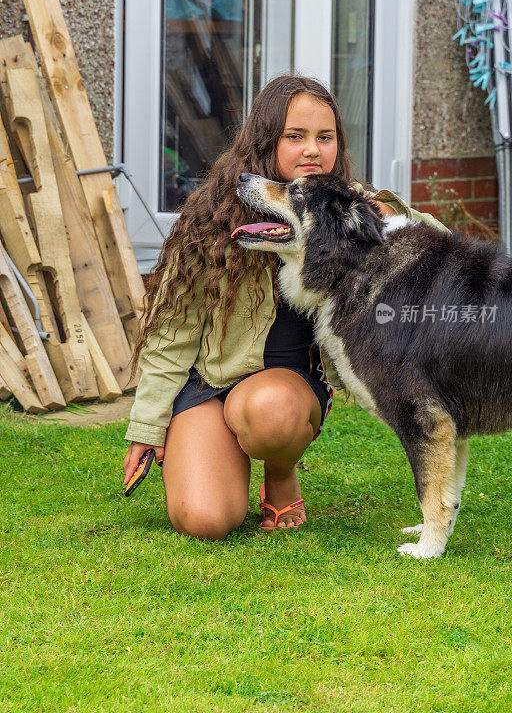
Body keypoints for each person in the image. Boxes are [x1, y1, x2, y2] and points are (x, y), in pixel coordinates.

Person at [122, 75, 448, 539]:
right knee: (206, 520)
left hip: (286, 393)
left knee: (272, 409)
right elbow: (171, 334)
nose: (312, 150)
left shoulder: (347, 211)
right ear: (264, 140)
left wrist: (389, 214)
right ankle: (212, 454)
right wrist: (148, 426)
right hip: (209, 382)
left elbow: (441, 248)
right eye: (294, 137)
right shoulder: (214, 217)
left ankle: (279, 475)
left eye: (325, 137)